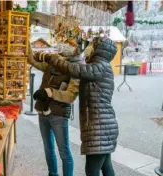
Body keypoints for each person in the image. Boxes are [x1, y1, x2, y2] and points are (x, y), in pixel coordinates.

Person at [33, 37, 119, 176]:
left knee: (92, 170)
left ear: (99, 50)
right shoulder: (99, 67)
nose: (88, 48)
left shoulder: (99, 67)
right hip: (102, 126)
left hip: (99, 126)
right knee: (106, 166)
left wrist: (49, 57)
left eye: (91, 45)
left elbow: (71, 69)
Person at [28, 42, 80, 176]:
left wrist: (49, 92)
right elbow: (32, 60)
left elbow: (70, 96)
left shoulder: (75, 69)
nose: (63, 49)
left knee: (64, 152)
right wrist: (25, 39)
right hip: (42, 111)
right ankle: (52, 173)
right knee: (48, 148)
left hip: (59, 114)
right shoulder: (52, 63)